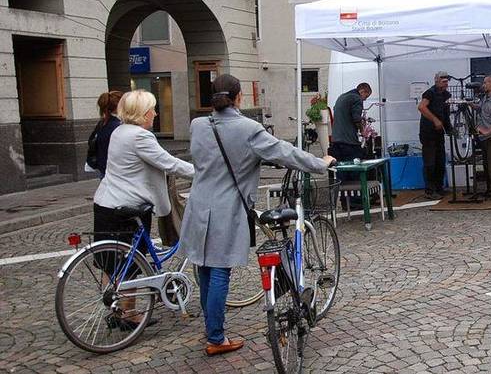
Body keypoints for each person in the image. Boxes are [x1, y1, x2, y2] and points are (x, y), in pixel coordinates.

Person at [180, 74, 334, 357]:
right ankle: (215, 337)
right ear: (239, 97)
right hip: (226, 209)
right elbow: (284, 152)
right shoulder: (247, 128)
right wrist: (319, 163)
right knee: (220, 269)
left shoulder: (198, 125)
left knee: (204, 267)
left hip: (198, 205)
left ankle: (211, 327)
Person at [92, 90, 195, 328]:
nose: (155, 113)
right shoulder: (140, 136)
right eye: (152, 109)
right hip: (128, 206)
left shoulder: (119, 131)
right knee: (131, 261)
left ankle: (115, 310)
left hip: (106, 203)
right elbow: (169, 163)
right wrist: (204, 172)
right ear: (142, 113)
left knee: (110, 261)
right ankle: (129, 315)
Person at [418, 71, 452, 200]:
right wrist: (435, 120)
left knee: (440, 161)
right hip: (428, 132)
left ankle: (439, 187)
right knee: (430, 162)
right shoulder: (430, 93)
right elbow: (421, 107)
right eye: (443, 82)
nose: (446, 84)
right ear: (436, 80)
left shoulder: (446, 95)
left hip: (439, 133)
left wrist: (449, 128)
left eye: (447, 82)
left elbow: (445, 113)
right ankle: (429, 190)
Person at [329, 82, 372, 176]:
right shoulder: (357, 98)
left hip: (336, 140)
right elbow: (356, 119)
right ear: (362, 91)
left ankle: (341, 185)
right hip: (348, 142)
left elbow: (345, 115)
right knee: (355, 169)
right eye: (366, 96)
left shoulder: (341, 97)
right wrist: (362, 130)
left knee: (341, 169)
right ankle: (358, 185)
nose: (364, 99)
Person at [87, 90, 123, 177]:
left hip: (104, 168)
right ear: (119, 106)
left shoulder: (104, 123)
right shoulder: (117, 126)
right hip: (114, 172)